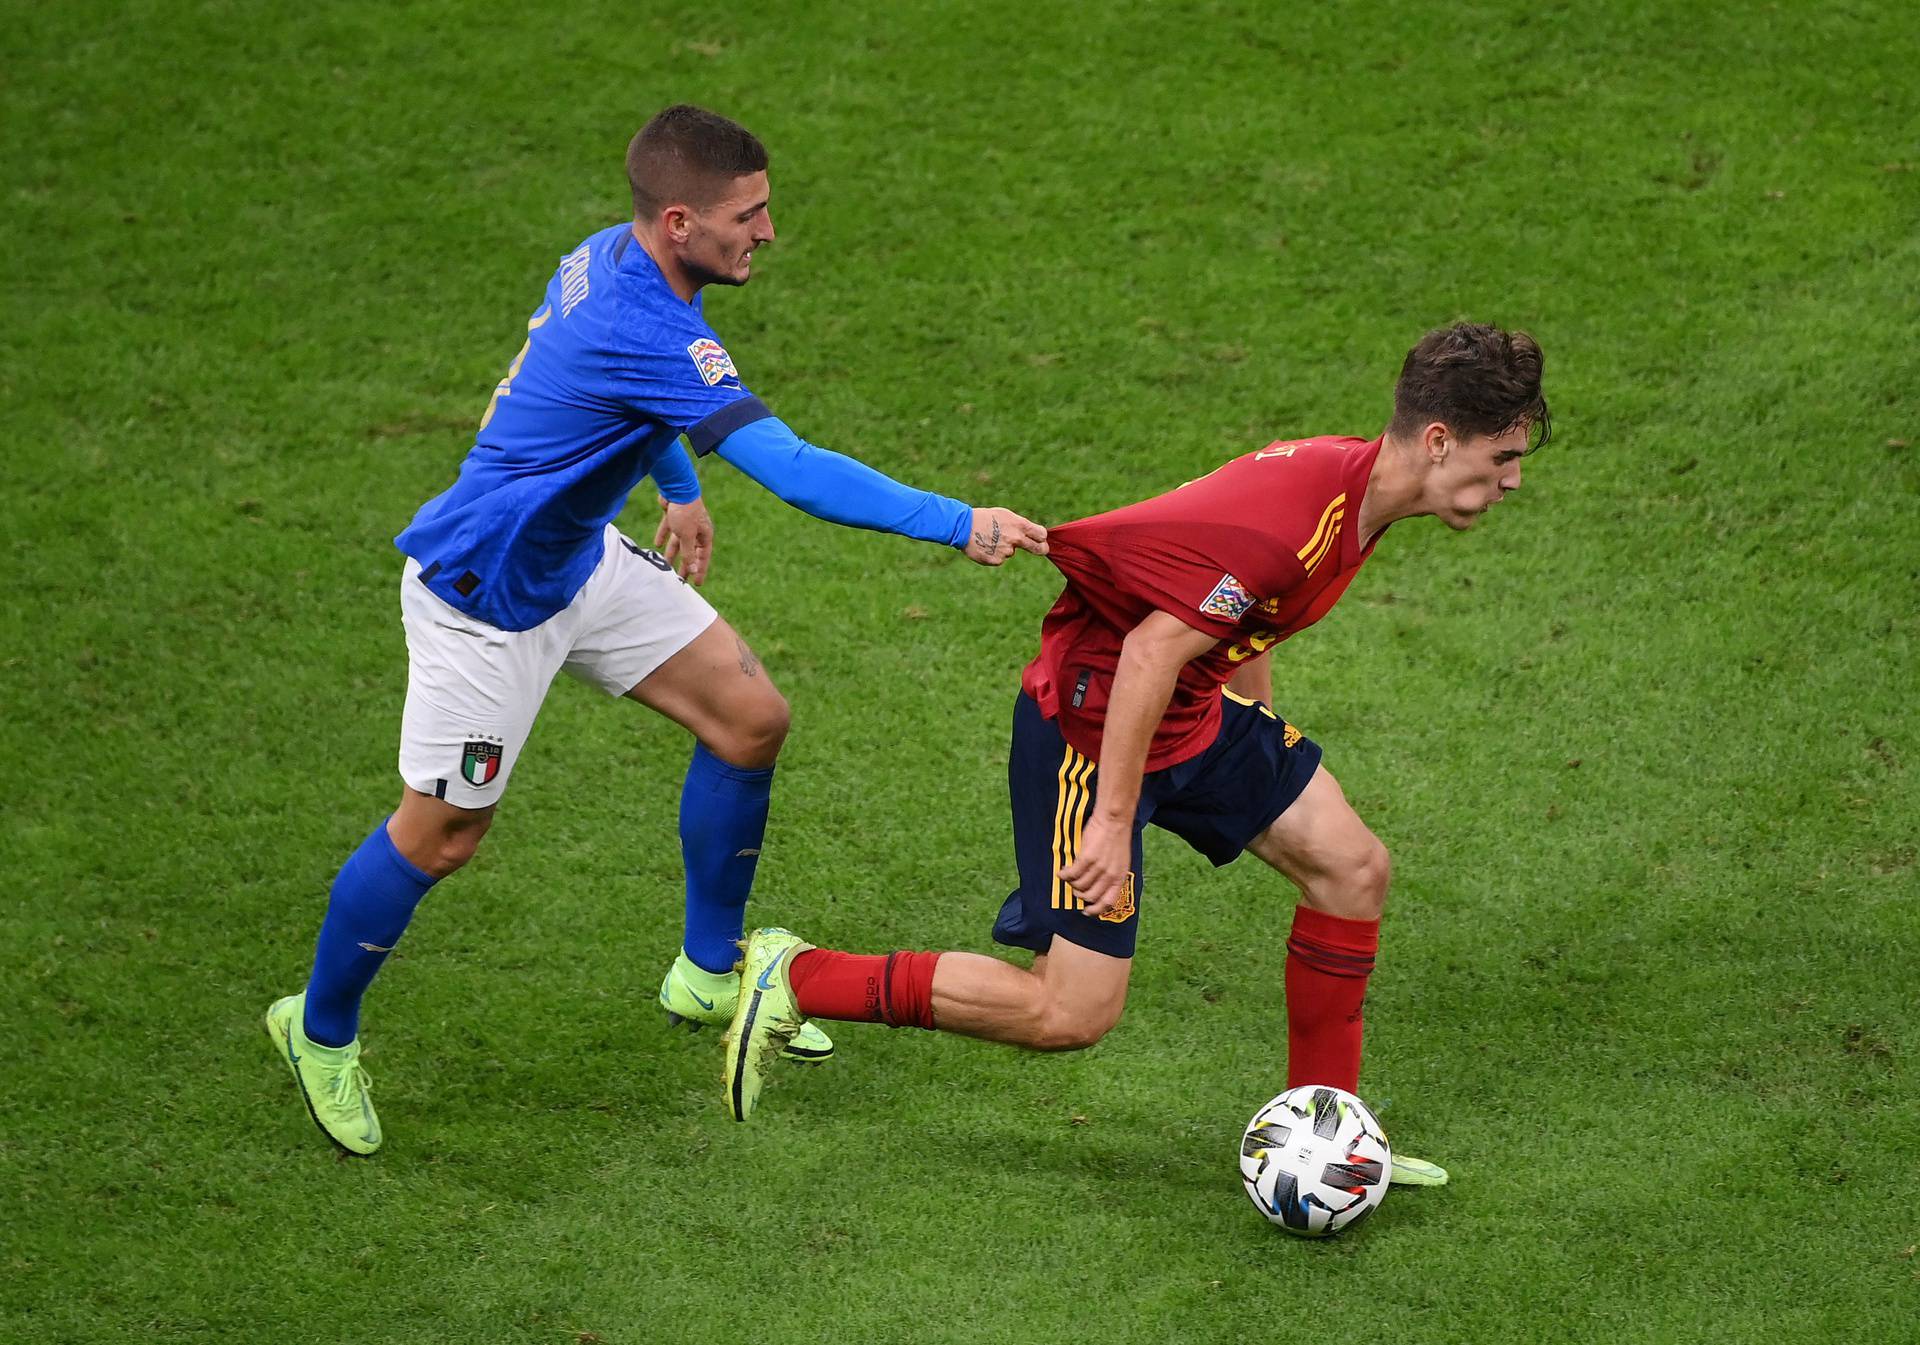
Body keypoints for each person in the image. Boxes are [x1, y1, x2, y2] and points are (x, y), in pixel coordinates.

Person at [265, 104, 1047, 1155]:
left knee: (748, 718)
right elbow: (796, 472)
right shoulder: (650, 327)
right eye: (747, 216)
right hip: (483, 597)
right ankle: (316, 1031)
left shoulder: (607, 256)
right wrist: (963, 522)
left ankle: (706, 973)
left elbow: (627, 407)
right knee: (442, 834)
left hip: (577, 559)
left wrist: (675, 484)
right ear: (679, 220)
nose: (765, 234)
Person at [722, 322, 1550, 1188]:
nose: (1512, 479)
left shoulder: (1355, 490)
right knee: (1067, 1009)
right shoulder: (1300, 516)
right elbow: (1153, 649)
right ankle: (799, 973)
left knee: (1352, 867)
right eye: (1503, 457)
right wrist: (1112, 824)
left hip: (1189, 707)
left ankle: (1325, 1139)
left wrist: (1257, 742)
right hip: (1095, 716)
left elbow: (1237, 612)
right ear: (1439, 440)